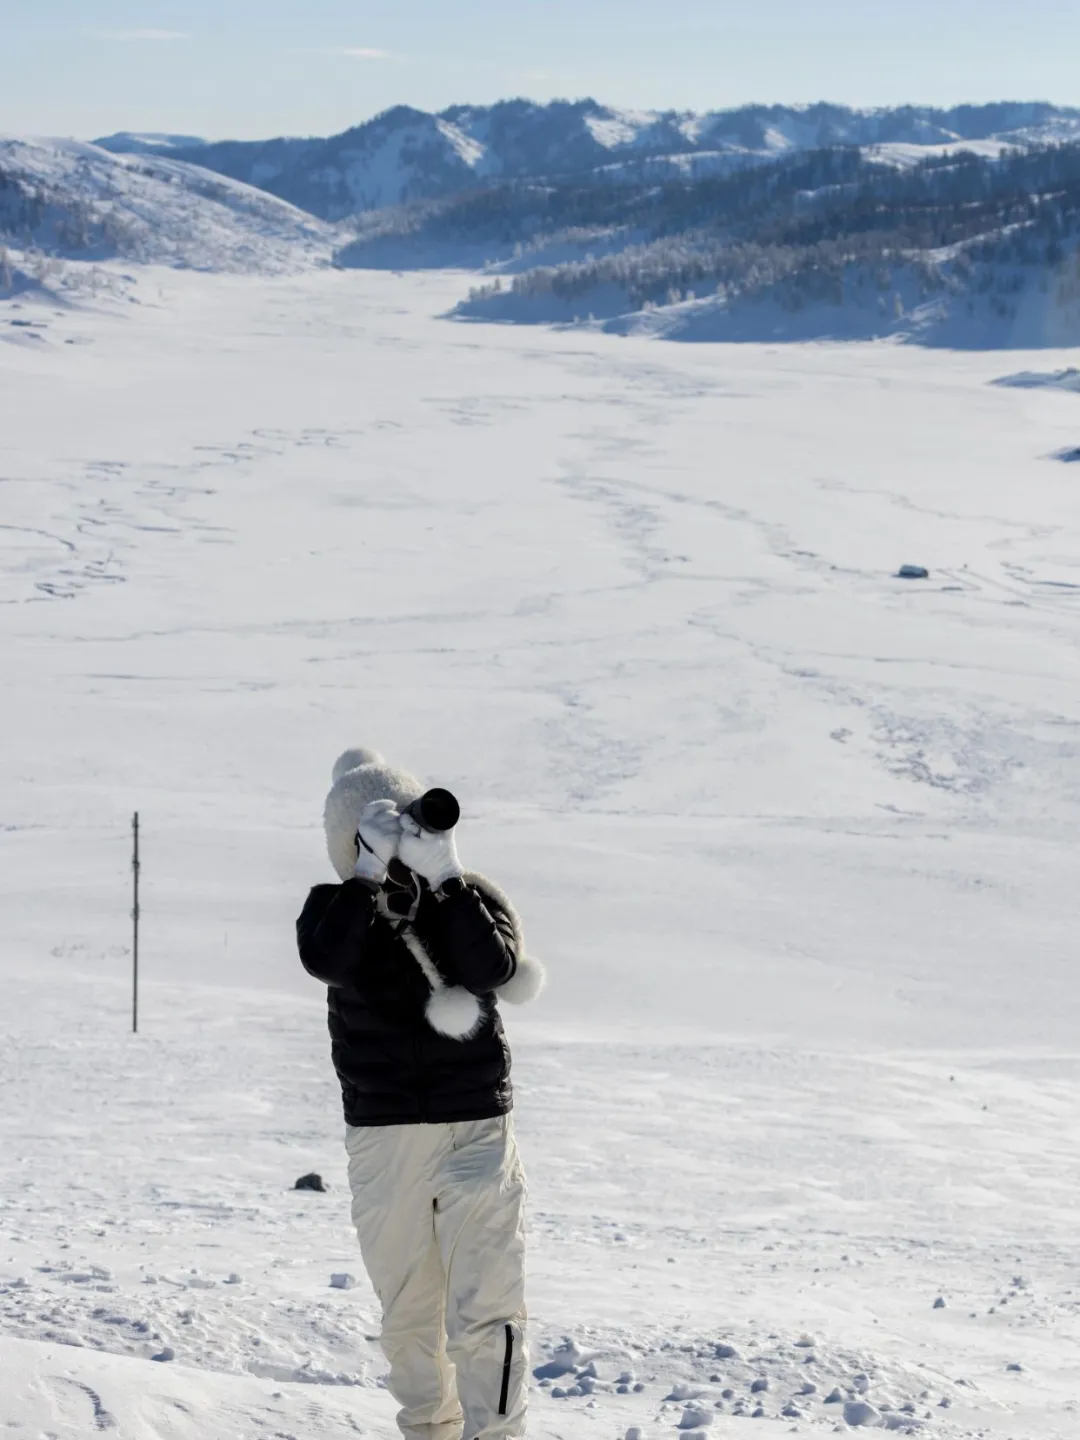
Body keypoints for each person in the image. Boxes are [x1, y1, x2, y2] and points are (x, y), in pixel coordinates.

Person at [296, 748, 545, 1440]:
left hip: (475, 1128)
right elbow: (329, 960)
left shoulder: (464, 894)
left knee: (487, 1308)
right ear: (348, 843)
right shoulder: (332, 908)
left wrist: (449, 880)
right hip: (385, 1135)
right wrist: (366, 877)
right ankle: (430, 1432)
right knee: (409, 1315)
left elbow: (491, 966)